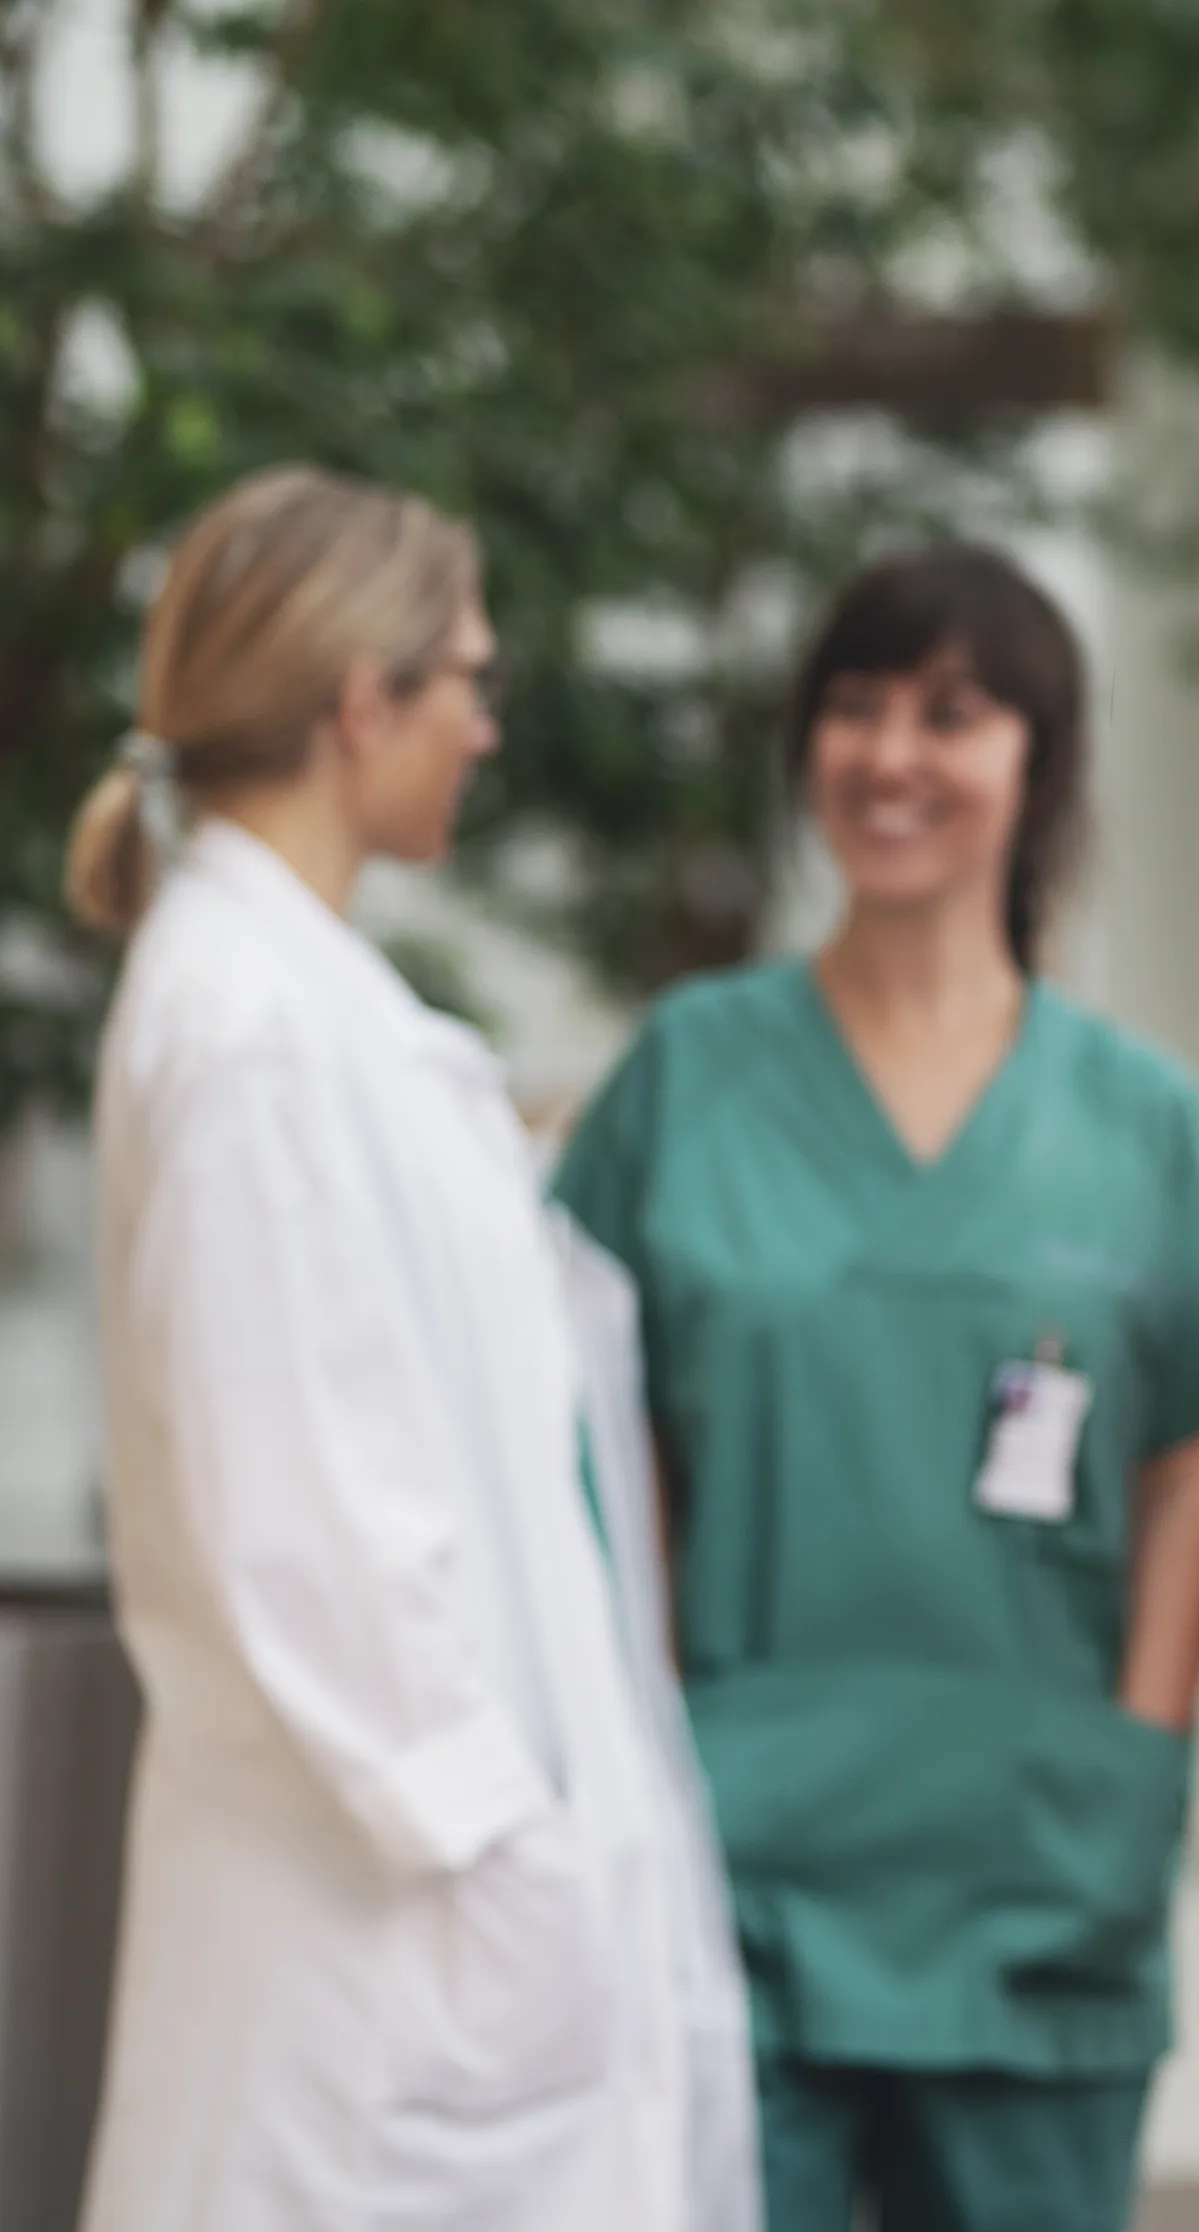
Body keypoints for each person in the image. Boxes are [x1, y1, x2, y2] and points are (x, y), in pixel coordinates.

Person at [554, 545, 1199, 2232]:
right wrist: (630, 1743)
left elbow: (1188, 1487)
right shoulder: (687, 1077)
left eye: (952, 714)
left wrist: (1133, 1766)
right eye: (855, 708)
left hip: (1034, 1871)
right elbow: (597, 1432)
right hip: (736, 1862)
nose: (892, 756)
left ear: (1042, 763)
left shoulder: (1142, 1123)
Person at [68, 467, 739, 2230]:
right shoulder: (255, 1034)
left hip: (421, 1923)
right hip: (389, 1933)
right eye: (470, 680)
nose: (489, 730)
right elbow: (299, 1511)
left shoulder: (312, 1010)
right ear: (363, 704)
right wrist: (499, 1845)